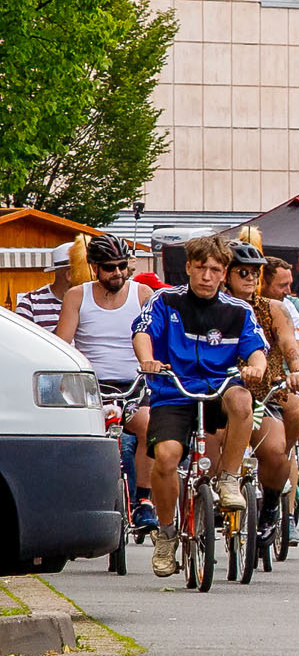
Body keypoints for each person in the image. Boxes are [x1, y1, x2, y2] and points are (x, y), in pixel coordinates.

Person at [132, 236, 268, 579]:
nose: (207, 276)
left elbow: (256, 349)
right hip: (173, 390)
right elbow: (143, 332)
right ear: (189, 267)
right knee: (165, 457)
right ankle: (165, 534)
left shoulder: (238, 310)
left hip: (217, 389)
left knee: (242, 398)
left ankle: (228, 479)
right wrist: (148, 360)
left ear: (224, 273)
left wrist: (255, 367)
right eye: (201, 267)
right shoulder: (166, 301)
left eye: (215, 269)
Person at [54, 233, 158, 531]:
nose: (117, 273)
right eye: (110, 267)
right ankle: (80, 500)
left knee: (150, 427)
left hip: (134, 383)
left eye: (122, 266)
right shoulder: (77, 296)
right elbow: (63, 344)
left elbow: (155, 339)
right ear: (94, 267)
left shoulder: (142, 295)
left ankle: (144, 500)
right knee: (79, 440)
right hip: (92, 386)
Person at [222, 241, 299, 548]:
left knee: (278, 449)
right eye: (243, 272)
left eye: (255, 273)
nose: (250, 278)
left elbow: (291, 345)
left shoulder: (272, 308)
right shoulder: (214, 306)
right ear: (227, 275)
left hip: (267, 391)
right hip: (220, 392)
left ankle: (273, 504)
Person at [16, 243, 76, 331]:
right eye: (87, 270)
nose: (93, 275)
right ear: (69, 274)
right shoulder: (30, 304)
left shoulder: (92, 302)